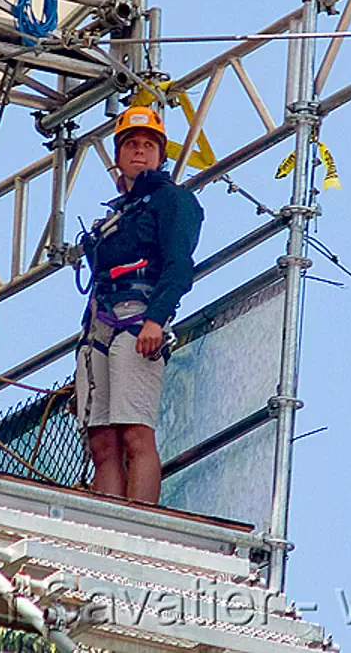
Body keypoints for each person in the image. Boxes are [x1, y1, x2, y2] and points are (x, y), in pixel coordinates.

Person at [75, 106, 204, 503]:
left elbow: (180, 265)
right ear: (117, 154)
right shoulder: (116, 217)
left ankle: (137, 526)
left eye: (149, 145)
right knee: (102, 442)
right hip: (98, 325)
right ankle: (107, 524)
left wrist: (156, 318)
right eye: (131, 144)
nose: (139, 152)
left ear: (161, 155)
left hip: (138, 318)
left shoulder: (173, 201)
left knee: (134, 432)